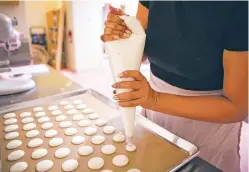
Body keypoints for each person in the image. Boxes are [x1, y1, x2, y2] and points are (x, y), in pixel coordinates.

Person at [101, 1, 248, 172]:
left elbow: (237, 107)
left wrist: (155, 99)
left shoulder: (237, 7)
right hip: (155, 117)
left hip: (208, 128)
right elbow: (142, 45)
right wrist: (122, 33)